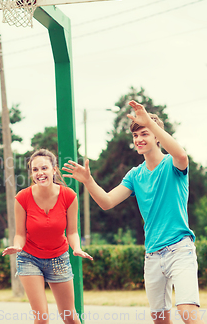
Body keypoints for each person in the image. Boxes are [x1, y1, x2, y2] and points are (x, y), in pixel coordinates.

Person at [62, 100, 204, 324]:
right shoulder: (135, 175)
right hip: (153, 255)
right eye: (135, 136)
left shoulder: (172, 165)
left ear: (157, 136)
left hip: (180, 249)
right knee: (160, 320)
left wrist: (149, 121)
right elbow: (107, 201)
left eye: (144, 134)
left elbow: (182, 155)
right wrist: (88, 181)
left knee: (187, 313)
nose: (138, 140)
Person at [3, 148, 92, 324]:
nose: (40, 173)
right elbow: (20, 234)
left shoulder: (69, 196)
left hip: (59, 258)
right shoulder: (22, 197)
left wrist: (77, 248)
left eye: (44, 168)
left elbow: (72, 231)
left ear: (54, 169)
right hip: (29, 258)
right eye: (35, 170)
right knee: (42, 318)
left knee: (70, 317)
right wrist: (18, 246)